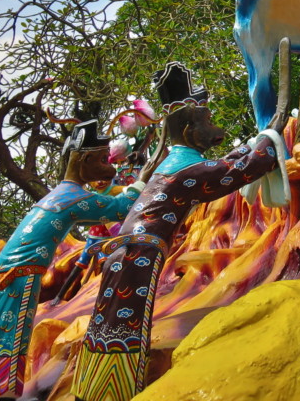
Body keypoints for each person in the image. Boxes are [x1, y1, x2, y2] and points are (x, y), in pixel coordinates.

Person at [71, 62, 282, 401]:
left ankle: (95, 389)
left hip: (128, 250)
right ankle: (112, 392)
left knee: (111, 322)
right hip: (139, 253)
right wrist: (270, 142)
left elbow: (221, 165)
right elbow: (237, 172)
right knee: (124, 326)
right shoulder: (186, 166)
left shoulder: (180, 161)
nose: (217, 129)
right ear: (187, 132)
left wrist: (251, 144)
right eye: (208, 123)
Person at [0, 121, 145, 401]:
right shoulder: (71, 197)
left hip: (9, 276)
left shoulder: (59, 194)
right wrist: (141, 183)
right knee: (10, 343)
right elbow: (119, 209)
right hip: (18, 278)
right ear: (83, 161)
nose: (109, 168)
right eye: (101, 160)